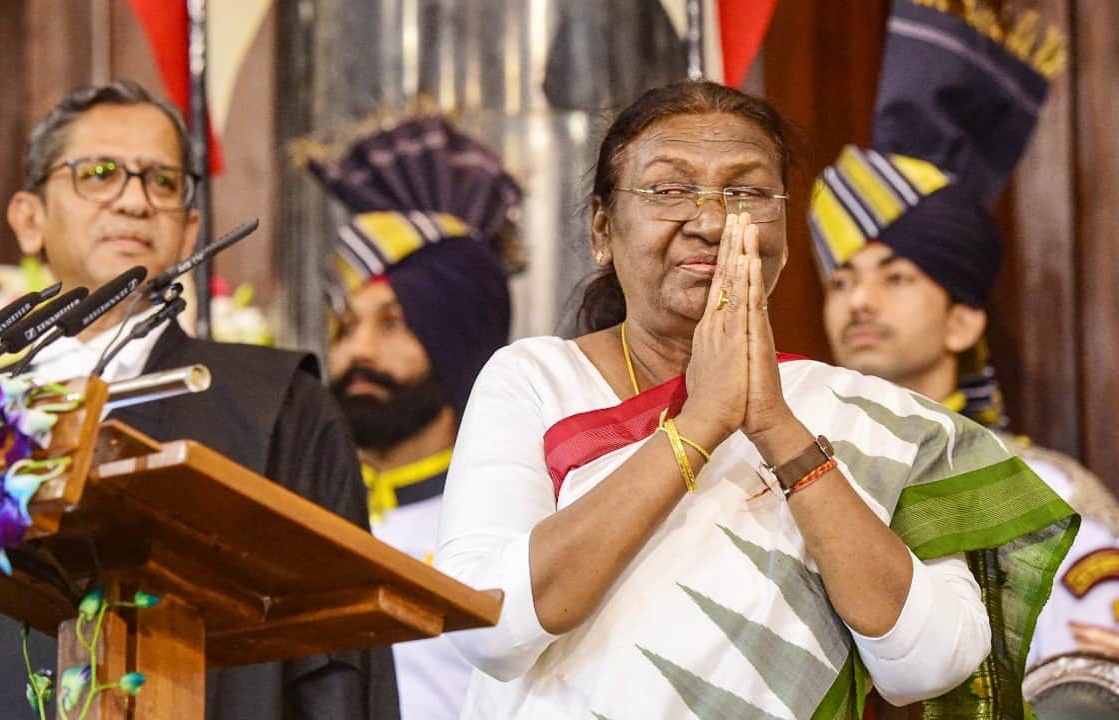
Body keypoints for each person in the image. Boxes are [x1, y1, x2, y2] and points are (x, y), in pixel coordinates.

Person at [433, 77, 1077, 719]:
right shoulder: (534, 380)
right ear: (604, 227)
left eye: (745, 192)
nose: (711, 222)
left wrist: (776, 426)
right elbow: (485, 623)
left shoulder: (865, 418)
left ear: (783, 229)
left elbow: (930, 664)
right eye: (668, 189)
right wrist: (699, 424)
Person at [0, 80, 399, 720]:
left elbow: (337, 663)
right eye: (99, 173)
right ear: (29, 218)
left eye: (162, 182)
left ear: (190, 230)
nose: (134, 200)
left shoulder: (278, 408)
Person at [807, 0, 1119, 699]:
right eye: (842, 279)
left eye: (896, 278)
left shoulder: (1048, 493)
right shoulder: (789, 475)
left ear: (962, 324)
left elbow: (1087, 684)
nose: (860, 301)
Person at [308, 116, 522, 718]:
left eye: (394, 323)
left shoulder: (514, 524)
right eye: (345, 327)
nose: (357, 354)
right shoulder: (301, 516)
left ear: (457, 341)